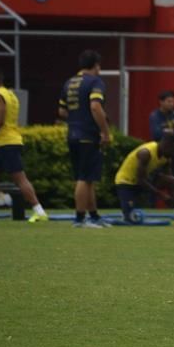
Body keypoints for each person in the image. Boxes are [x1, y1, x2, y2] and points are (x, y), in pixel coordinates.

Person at [0, 70, 48, 223]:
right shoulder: (10, 94)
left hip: (7, 142)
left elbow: (0, 120)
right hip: (6, 142)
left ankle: (39, 211)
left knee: (20, 179)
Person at [58, 50, 111, 228]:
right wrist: (105, 132)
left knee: (87, 178)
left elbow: (62, 111)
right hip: (88, 135)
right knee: (84, 177)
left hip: (73, 134)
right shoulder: (95, 82)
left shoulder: (69, 82)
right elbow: (95, 106)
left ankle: (94, 216)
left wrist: (77, 119)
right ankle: (80, 219)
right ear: (96, 65)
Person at [114, 133, 174, 227]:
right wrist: (162, 196)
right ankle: (126, 213)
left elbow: (169, 178)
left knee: (173, 181)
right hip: (126, 182)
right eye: (173, 150)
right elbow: (140, 180)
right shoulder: (145, 153)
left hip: (144, 180)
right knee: (131, 219)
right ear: (166, 145)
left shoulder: (166, 155)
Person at [149, 90, 174, 176]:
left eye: (173, 102)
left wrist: (168, 131)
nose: (172, 104)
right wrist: (172, 131)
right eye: (169, 101)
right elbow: (156, 133)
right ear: (161, 102)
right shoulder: (155, 116)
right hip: (161, 151)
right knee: (160, 175)